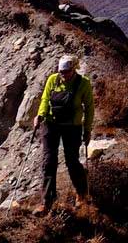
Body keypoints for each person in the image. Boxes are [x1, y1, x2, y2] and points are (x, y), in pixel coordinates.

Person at [30, 55, 94, 212]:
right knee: (48, 161)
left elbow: (89, 108)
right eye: (61, 72)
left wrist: (87, 130)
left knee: (71, 161)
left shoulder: (83, 83)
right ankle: (47, 202)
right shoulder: (53, 79)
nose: (63, 75)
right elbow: (45, 99)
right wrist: (40, 115)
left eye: (66, 72)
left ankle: (82, 195)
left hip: (72, 126)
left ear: (73, 70)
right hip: (51, 124)